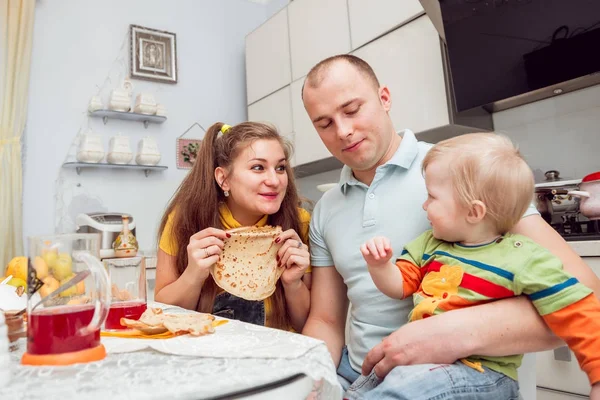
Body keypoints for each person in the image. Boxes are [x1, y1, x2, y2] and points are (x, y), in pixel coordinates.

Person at [300, 54, 600, 394]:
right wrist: (312, 382)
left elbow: (586, 293)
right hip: (355, 373)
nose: (343, 131)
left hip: (445, 376)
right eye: (324, 124)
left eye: (352, 110)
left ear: (384, 98)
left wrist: (448, 332)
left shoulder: (458, 170)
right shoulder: (325, 210)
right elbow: (326, 320)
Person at [348, 133, 600, 399]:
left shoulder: (525, 258)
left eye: (432, 197)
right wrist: (379, 265)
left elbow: (579, 311)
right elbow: (398, 285)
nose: (424, 205)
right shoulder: (429, 245)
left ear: (474, 212)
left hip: (481, 374)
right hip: (418, 369)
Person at [155, 122, 311, 332]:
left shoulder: (299, 223)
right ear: (223, 179)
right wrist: (193, 275)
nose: (275, 180)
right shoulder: (185, 221)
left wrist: (294, 284)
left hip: (277, 357)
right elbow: (163, 318)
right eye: (258, 167)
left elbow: (308, 326)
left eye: (280, 167)